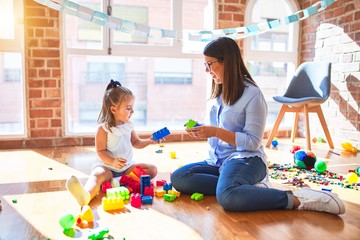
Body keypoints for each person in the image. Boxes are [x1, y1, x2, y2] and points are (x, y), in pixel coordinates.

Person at [170, 37, 345, 215]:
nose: (206, 70)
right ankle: (247, 188)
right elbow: (220, 127)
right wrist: (203, 129)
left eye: (209, 64)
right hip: (218, 161)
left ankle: (301, 198)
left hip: (246, 159)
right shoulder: (218, 92)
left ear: (226, 62)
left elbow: (253, 142)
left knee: (227, 196)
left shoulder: (253, 95)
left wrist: (215, 131)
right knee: (179, 178)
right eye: (204, 64)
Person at [66, 80, 158, 207]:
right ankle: (85, 195)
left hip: (126, 169)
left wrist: (149, 141)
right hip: (107, 167)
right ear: (114, 109)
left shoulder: (128, 126)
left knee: (152, 170)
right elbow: (100, 152)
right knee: (96, 176)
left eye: (132, 108)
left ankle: (118, 182)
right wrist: (113, 162)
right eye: (128, 108)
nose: (132, 112)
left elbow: (136, 142)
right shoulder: (103, 129)